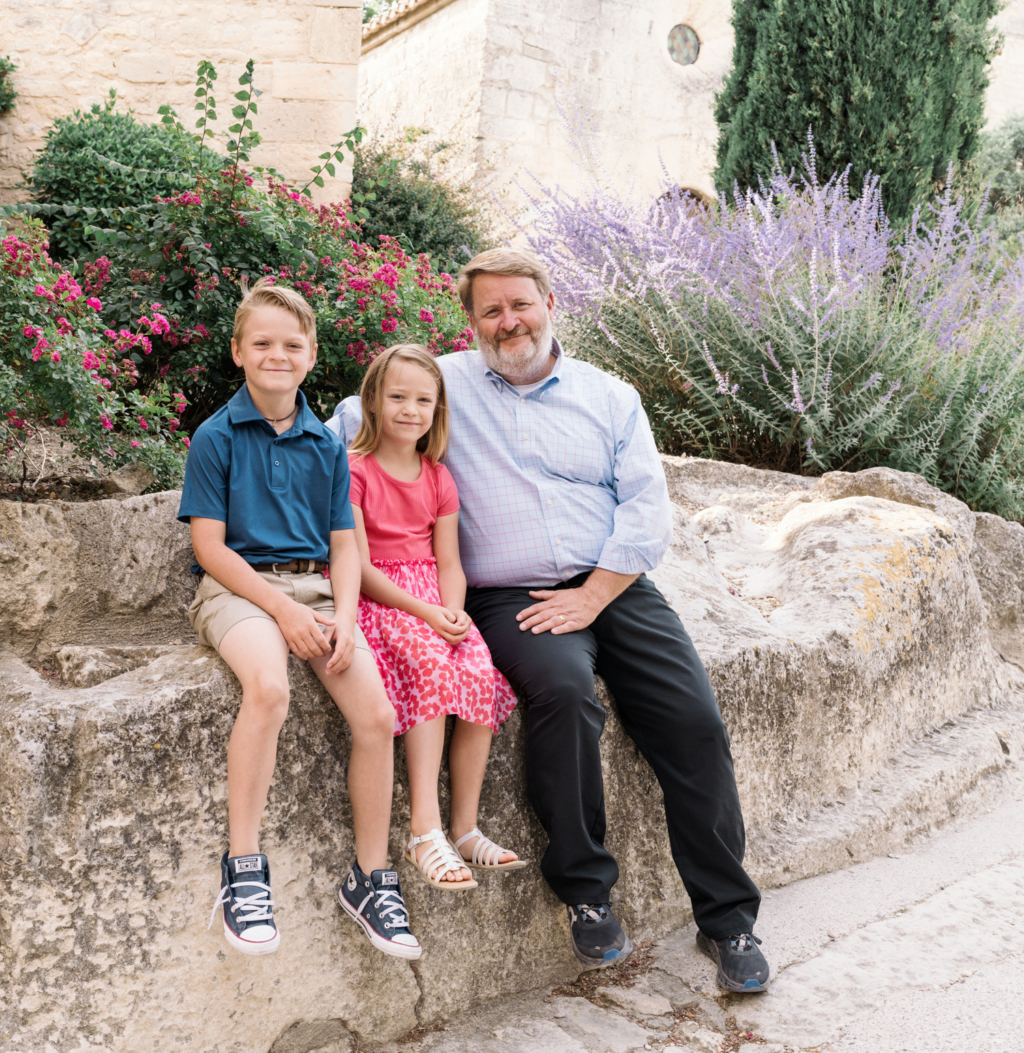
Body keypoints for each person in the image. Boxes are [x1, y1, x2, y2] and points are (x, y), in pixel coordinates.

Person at [327, 249, 771, 992]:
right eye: (490, 311)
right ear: (471, 323)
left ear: (550, 302)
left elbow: (645, 509)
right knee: (565, 698)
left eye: (520, 305)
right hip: (508, 598)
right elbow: (354, 421)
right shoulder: (443, 385)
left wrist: (594, 595)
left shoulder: (608, 396)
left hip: (615, 586)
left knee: (693, 720)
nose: (508, 322)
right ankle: (587, 896)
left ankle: (728, 917)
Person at [178, 279, 420, 961]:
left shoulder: (325, 444)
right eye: (262, 343)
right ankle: (244, 868)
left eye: (291, 345)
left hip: (317, 590)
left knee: (376, 717)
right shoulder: (216, 435)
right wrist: (283, 610)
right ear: (238, 351)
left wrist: (344, 615)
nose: (276, 355)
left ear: (312, 355)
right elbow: (209, 547)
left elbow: (345, 545)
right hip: (239, 591)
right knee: (271, 689)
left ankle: (370, 878)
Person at [345, 344, 525, 892]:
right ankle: (423, 828)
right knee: (428, 665)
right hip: (383, 601)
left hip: (433, 598)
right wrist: (424, 612)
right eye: (397, 396)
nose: (410, 410)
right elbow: (359, 565)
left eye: (424, 400)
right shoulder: (353, 471)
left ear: (437, 410)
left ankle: (464, 827)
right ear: (373, 401)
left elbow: (449, 560)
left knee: (477, 668)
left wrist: (453, 613)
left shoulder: (438, 476)